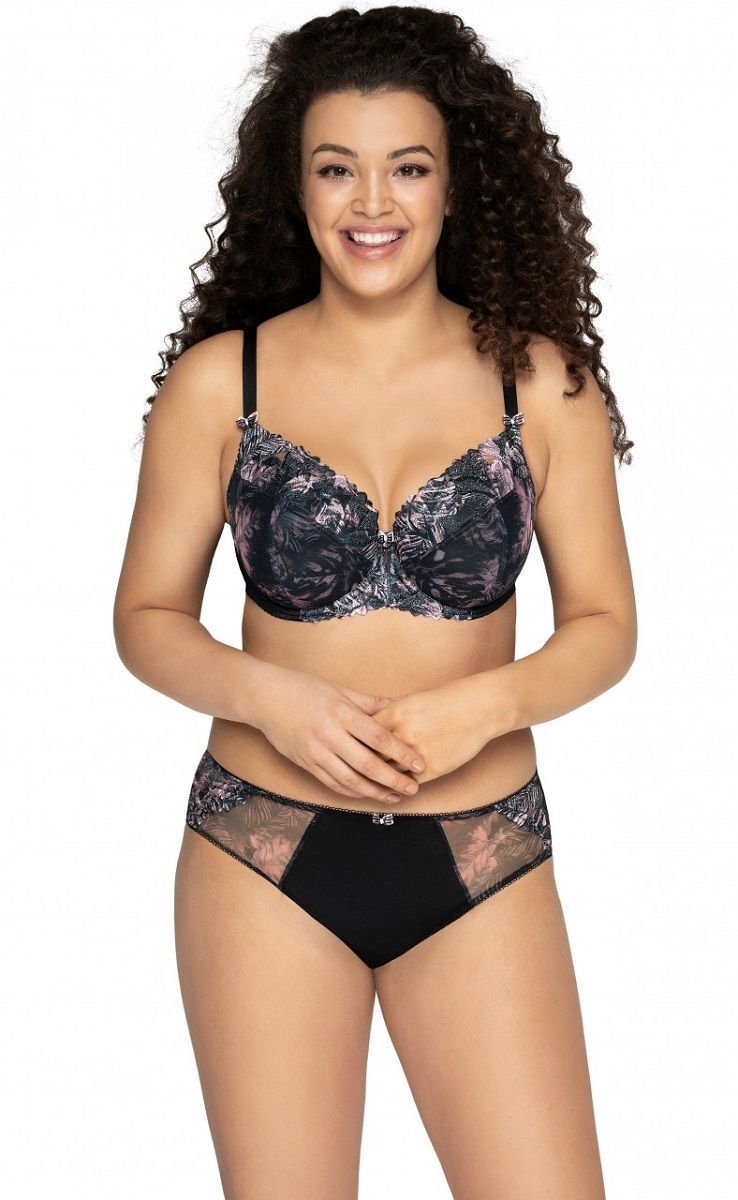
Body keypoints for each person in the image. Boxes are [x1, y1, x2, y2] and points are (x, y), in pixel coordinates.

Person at [113, 7, 636, 1197]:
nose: (371, 203)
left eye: (407, 167)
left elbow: (607, 627)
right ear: (293, 186)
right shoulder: (220, 382)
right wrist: (274, 700)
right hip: (261, 848)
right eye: (335, 168)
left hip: (482, 849)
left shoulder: (545, 384)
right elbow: (146, 617)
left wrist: (482, 708)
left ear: (456, 183)